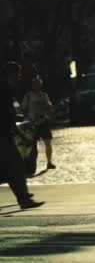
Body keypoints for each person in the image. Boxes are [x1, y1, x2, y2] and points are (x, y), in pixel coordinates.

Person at [0, 62, 44, 210]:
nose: (19, 77)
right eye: (17, 74)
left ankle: (23, 197)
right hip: (3, 135)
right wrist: (21, 135)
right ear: (11, 74)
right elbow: (6, 116)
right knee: (16, 166)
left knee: (12, 168)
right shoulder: (5, 89)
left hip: (5, 134)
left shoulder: (6, 87)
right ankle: (24, 199)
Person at [22, 76, 56, 170]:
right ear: (33, 85)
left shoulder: (44, 95)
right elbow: (23, 109)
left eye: (39, 84)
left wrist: (49, 108)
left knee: (48, 143)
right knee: (32, 146)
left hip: (43, 122)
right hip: (32, 123)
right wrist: (27, 119)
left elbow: (49, 106)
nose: (38, 86)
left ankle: (49, 162)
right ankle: (31, 165)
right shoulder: (28, 96)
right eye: (36, 84)